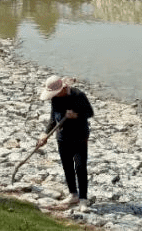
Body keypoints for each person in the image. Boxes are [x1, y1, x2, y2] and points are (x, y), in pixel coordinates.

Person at [37, 75, 94, 207]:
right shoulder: (55, 99)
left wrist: (76, 115)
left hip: (79, 136)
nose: (54, 95)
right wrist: (45, 134)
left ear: (63, 88)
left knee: (80, 167)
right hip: (62, 137)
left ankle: (83, 198)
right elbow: (53, 118)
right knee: (67, 166)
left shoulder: (78, 95)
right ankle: (73, 194)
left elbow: (89, 113)